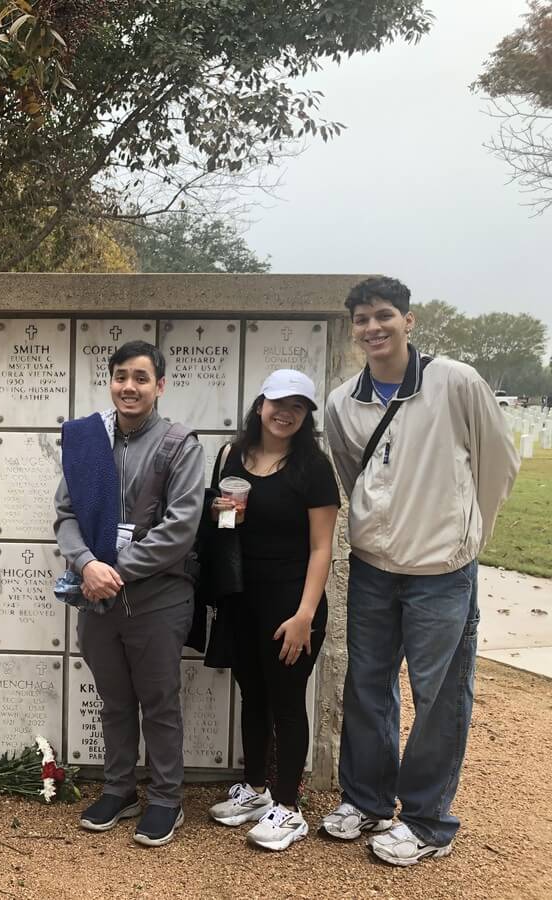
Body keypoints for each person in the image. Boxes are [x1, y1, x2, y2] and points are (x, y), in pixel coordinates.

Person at [321, 276, 519, 866]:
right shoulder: (342, 402)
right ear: (353, 329)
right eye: (362, 319)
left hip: (441, 569)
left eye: (384, 315)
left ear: (409, 321)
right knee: (367, 683)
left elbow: (497, 462)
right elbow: (355, 474)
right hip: (375, 564)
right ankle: (367, 800)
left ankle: (429, 820)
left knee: (439, 695)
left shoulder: (455, 381)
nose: (373, 327)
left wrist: (465, 532)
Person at [54, 340, 205, 848]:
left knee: (159, 702)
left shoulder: (180, 445)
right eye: (121, 376)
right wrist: (87, 564)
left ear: (159, 385)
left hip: (157, 598)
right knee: (114, 701)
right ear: (111, 381)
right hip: (97, 597)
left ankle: (165, 798)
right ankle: (120, 789)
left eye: (141, 378)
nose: (129, 387)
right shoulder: (86, 439)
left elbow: (181, 528)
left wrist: (111, 570)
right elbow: (66, 514)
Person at [204, 369, 339, 851]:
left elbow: (323, 547)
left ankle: (289, 807)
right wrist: (227, 515)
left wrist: (305, 615)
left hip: (291, 603)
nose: (286, 413)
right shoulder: (232, 456)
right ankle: (256, 788)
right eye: (279, 403)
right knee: (253, 695)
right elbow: (222, 529)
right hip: (243, 597)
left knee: (286, 700)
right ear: (260, 404)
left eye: (298, 407)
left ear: (306, 416)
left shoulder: (313, 468)